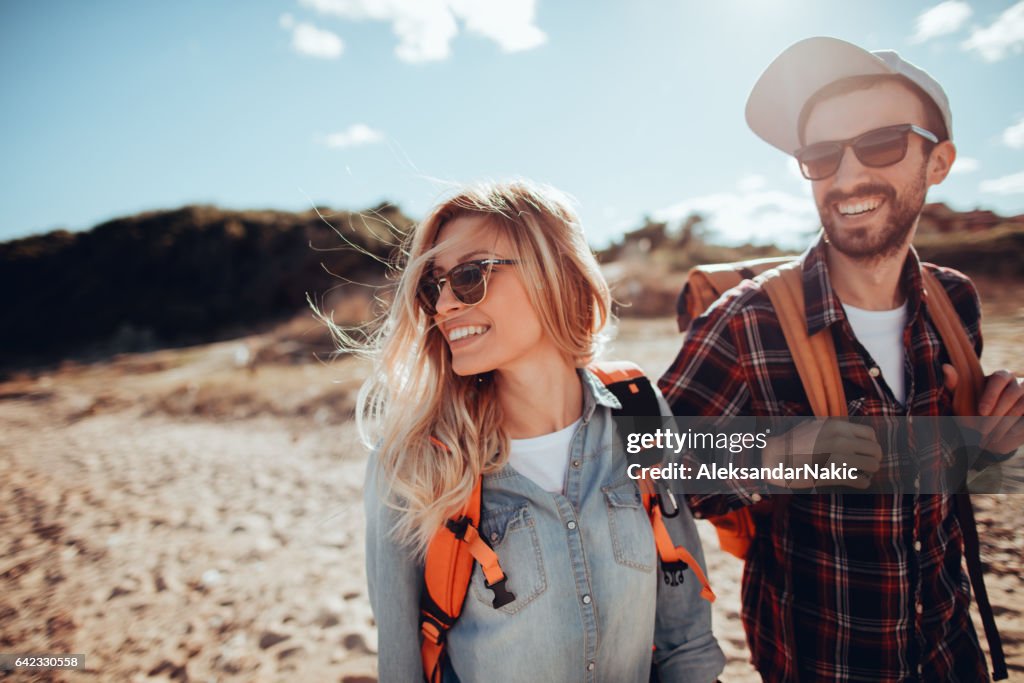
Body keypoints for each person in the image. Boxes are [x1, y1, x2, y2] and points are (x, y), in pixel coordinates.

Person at [659, 37, 1024, 681]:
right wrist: (773, 458)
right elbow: (645, 468)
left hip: (948, 653)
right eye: (823, 156)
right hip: (818, 663)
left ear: (938, 161)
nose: (848, 176)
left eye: (881, 144)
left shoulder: (955, 301)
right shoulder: (747, 321)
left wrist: (987, 443)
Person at [357, 181, 725, 682]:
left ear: (557, 274)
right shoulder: (411, 462)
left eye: (470, 276)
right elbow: (402, 668)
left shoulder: (638, 406)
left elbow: (685, 633)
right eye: (433, 285)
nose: (443, 304)